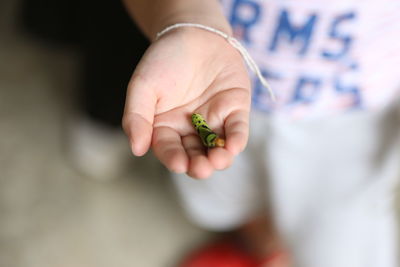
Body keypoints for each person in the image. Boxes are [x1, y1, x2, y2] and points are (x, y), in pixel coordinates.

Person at [122, 0, 400, 266]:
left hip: (354, 118)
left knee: (339, 237)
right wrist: (185, 19)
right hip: (214, 93)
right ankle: (262, 246)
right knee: (233, 191)